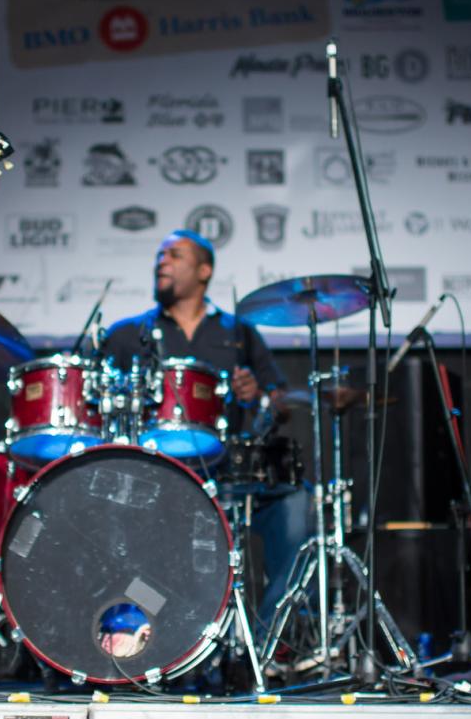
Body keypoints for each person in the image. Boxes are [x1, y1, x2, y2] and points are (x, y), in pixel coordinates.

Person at [100, 229, 313, 637]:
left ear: (204, 270)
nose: (161, 262)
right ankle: (146, 633)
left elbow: (281, 400)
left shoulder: (239, 332)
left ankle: (268, 640)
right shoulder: (128, 334)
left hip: (225, 471)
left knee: (294, 502)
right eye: (159, 255)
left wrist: (259, 395)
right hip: (153, 471)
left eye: (174, 255)